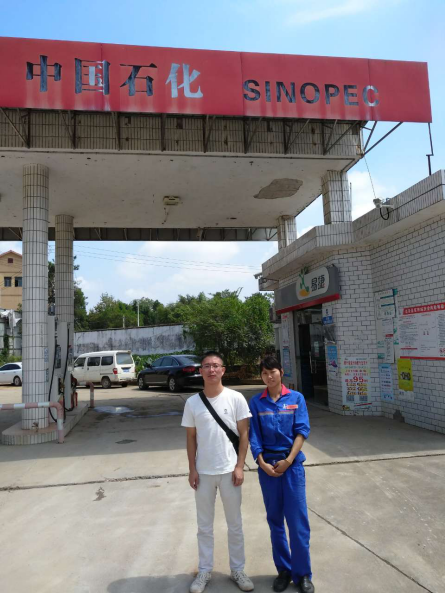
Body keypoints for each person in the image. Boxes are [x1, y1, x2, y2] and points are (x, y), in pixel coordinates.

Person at [181, 351, 254, 593]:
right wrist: (192, 469)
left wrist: (240, 466)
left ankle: (238, 570)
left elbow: (244, 434)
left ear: (223, 370)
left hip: (230, 471)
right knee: (204, 526)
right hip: (203, 473)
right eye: (206, 366)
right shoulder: (192, 403)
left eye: (215, 366)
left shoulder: (236, 398)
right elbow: (191, 438)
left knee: (235, 524)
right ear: (200, 371)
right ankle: (204, 571)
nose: (211, 370)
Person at [248, 356, 314, 593]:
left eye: (272, 372)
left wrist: (288, 460)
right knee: (275, 521)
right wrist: (261, 463)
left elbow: (301, 431)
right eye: (264, 373)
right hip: (268, 469)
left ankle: (303, 574)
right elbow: (253, 436)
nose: (269, 376)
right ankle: (284, 570)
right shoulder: (256, 403)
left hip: (292, 467)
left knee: (297, 523)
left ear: (281, 372)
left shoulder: (296, 399)